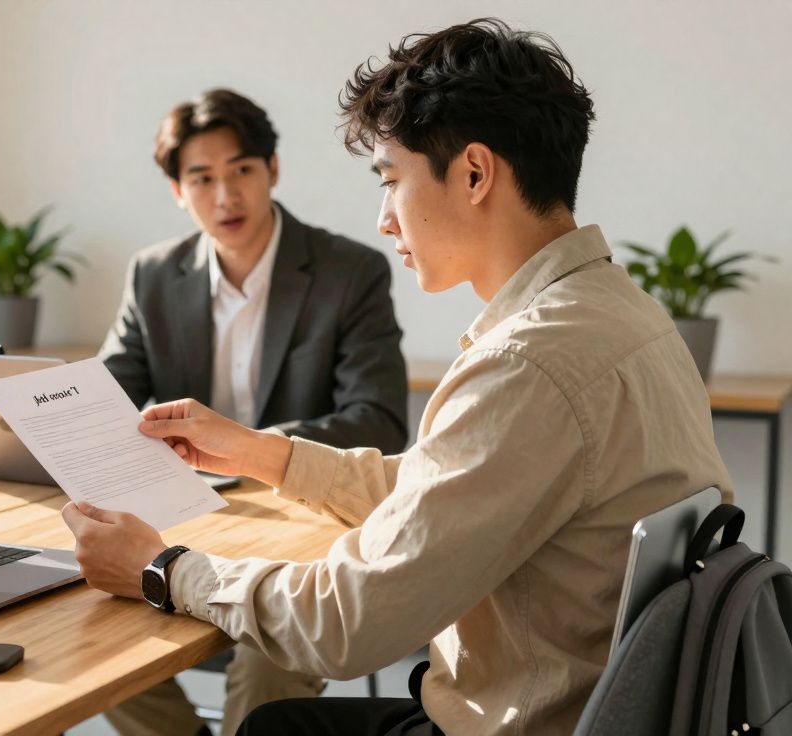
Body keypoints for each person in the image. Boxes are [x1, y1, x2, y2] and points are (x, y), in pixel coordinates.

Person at [66, 18, 733, 736]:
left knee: (272, 722)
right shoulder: (621, 314)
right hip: (611, 707)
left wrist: (162, 567)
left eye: (391, 181)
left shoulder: (525, 365)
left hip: (526, 720)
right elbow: (447, 492)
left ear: (474, 173)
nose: (385, 219)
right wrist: (265, 455)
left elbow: (343, 625)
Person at [97, 88, 410, 736]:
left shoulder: (349, 272)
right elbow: (111, 396)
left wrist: (245, 446)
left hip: (301, 526)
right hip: (188, 517)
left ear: (273, 168)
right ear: (177, 191)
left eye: (241, 170)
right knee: (91, 639)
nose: (224, 196)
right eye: (201, 178)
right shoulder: (152, 275)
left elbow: (379, 420)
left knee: (269, 669)